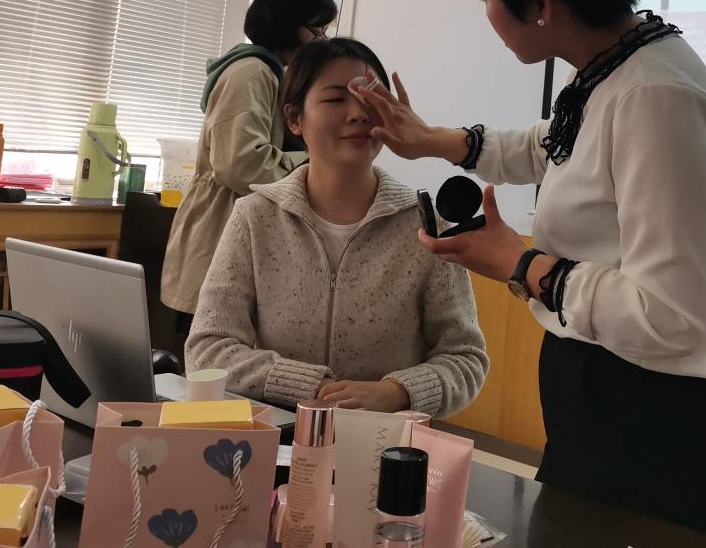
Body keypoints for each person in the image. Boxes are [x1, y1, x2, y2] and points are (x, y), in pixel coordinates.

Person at [349, 0, 706, 536]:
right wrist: (434, 141)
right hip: (601, 399)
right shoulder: (612, 64)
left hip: (651, 427)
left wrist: (521, 263)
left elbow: (672, 317)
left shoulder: (659, 101)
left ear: (539, 4)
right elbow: (553, 145)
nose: (484, 10)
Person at [185, 37, 488, 417]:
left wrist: (398, 392)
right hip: (274, 435)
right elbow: (208, 349)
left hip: (383, 440)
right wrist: (312, 387)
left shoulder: (426, 225)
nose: (358, 113)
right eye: (335, 99)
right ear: (294, 119)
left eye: (370, 98)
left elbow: (465, 358)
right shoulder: (254, 216)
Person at [161, 0, 336, 316]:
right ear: (288, 24)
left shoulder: (266, 71)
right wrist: (312, 163)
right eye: (317, 30)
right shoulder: (251, 71)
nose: (321, 41)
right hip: (219, 230)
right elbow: (241, 164)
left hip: (236, 227)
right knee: (217, 341)